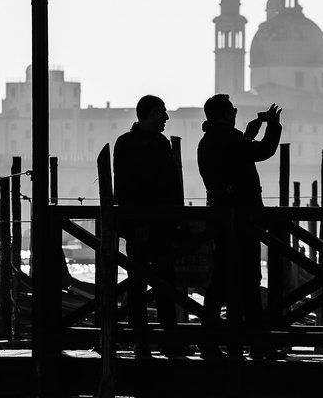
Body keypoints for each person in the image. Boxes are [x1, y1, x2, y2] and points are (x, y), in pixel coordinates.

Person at [197, 94, 285, 360]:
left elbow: (233, 161)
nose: (236, 113)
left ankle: (211, 343)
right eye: (233, 110)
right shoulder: (228, 139)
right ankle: (257, 345)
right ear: (224, 115)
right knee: (248, 282)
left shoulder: (209, 140)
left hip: (223, 220)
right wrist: (274, 126)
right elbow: (263, 151)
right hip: (241, 221)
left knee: (219, 283)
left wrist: (248, 133)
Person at [113, 94, 184, 358]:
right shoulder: (127, 144)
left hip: (163, 228)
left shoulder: (161, 143)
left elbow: (171, 185)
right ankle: (141, 341)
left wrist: (176, 219)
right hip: (140, 229)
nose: (166, 117)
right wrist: (138, 223)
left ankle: (168, 340)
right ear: (150, 114)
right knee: (139, 285)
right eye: (162, 112)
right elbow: (125, 188)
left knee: (165, 285)